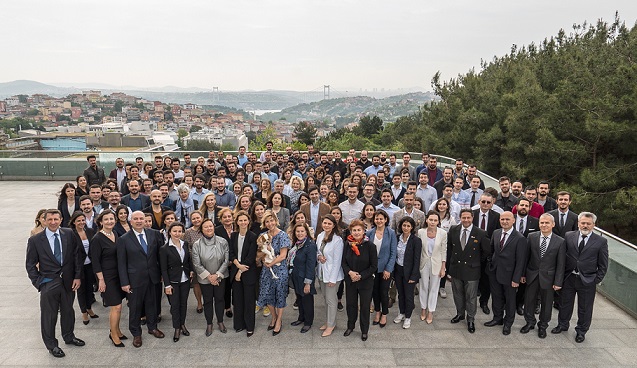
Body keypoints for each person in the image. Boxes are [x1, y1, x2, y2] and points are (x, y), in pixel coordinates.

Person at [26, 209, 85, 358]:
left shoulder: (69, 234)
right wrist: (38, 282)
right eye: (50, 219)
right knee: (49, 315)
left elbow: (77, 256)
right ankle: (52, 345)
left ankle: (69, 336)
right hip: (48, 282)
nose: (53, 222)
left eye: (56, 219)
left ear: (61, 219)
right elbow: (30, 264)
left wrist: (77, 277)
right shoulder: (35, 240)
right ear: (44, 221)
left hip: (68, 282)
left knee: (68, 311)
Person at [552, 212, 608, 343]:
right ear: (578, 223)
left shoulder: (601, 241)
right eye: (583, 223)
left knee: (585, 307)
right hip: (569, 277)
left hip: (588, 280)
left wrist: (596, 280)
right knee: (565, 303)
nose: (585, 226)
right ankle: (562, 324)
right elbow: (563, 257)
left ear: (593, 225)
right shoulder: (569, 236)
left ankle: (581, 331)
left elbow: (603, 264)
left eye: (588, 224)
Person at [117, 211, 165, 348]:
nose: (139, 221)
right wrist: (124, 282)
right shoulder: (124, 239)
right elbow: (121, 263)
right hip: (134, 280)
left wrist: (161, 273)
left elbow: (159, 256)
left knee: (152, 304)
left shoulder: (154, 234)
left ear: (145, 220)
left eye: (141, 219)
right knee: (135, 308)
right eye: (135, 219)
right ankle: (136, 333)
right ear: (130, 221)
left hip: (153, 277)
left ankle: (152, 327)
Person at [519, 213, 566, 338]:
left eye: (547, 223)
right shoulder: (531, 236)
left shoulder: (560, 241)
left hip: (549, 278)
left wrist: (558, 281)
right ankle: (530, 322)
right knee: (529, 301)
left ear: (553, 224)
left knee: (546, 303)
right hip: (532, 274)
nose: (544, 225)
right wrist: (523, 274)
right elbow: (526, 257)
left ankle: (543, 325)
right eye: (542, 223)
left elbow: (561, 264)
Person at [484, 211, 528, 335]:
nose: (504, 221)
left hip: (510, 276)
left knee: (510, 300)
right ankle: (497, 318)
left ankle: (508, 323)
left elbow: (521, 261)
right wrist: (490, 265)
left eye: (507, 219)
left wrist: (516, 278)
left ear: (513, 220)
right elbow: (492, 251)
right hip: (494, 272)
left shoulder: (520, 238)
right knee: (496, 297)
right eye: (502, 219)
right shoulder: (496, 233)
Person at [447, 209, 490, 333]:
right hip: (456, 268)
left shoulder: (481, 233)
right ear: (460, 218)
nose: (466, 220)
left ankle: (470, 319)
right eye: (463, 218)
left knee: (471, 296)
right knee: (457, 294)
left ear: (472, 218)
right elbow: (450, 248)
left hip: (472, 269)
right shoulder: (454, 230)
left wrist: (476, 262)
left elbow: (486, 251)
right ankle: (460, 314)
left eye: (468, 218)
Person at [91, 210, 127, 347]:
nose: (109, 221)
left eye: (112, 219)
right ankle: (113, 334)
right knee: (116, 306)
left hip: (118, 275)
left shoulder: (115, 233)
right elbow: (95, 261)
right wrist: (101, 280)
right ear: (101, 222)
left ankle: (117, 330)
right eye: (106, 219)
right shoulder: (97, 239)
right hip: (106, 277)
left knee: (119, 306)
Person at [192, 218, 230, 336]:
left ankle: (220, 321)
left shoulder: (223, 241)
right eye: (206, 227)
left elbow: (226, 260)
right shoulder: (197, 244)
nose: (209, 229)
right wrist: (209, 277)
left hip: (220, 276)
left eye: (210, 226)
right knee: (207, 301)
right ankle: (209, 323)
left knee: (220, 299)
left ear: (214, 227)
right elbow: (196, 264)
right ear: (202, 230)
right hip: (205, 278)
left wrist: (217, 275)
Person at [342, 219, 378, 341]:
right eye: (354, 230)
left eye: (359, 230)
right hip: (351, 281)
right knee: (351, 305)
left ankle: (364, 330)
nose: (356, 233)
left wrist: (361, 276)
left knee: (364, 306)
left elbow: (373, 266)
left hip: (365, 282)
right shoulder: (347, 244)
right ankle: (350, 326)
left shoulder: (370, 246)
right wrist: (350, 273)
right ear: (350, 232)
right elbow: (344, 262)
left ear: (364, 231)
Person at [257, 210, 291, 336]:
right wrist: (262, 259)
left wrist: (270, 264)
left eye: (272, 220)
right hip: (266, 270)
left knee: (280, 295)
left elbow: (283, 256)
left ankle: (279, 320)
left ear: (276, 220)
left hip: (280, 270)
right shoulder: (263, 235)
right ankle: (274, 316)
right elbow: (260, 252)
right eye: (267, 221)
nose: (270, 223)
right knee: (268, 294)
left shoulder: (282, 235)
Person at [159, 222, 193, 342]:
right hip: (173, 281)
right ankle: (176, 328)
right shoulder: (164, 248)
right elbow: (163, 268)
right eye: (175, 231)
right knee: (175, 305)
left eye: (180, 231)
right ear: (169, 232)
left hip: (185, 280)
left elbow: (188, 260)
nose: (177, 234)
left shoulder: (185, 244)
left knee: (183, 304)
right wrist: (167, 285)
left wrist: (191, 271)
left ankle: (182, 324)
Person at [229, 211, 258, 337]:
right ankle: (239, 324)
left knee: (249, 301)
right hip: (236, 269)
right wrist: (237, 265)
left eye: (245, 220)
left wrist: (240, 271)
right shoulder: (234, 235)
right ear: (237, 222)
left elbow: (251, 257)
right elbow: (231, 253)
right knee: (238, 300)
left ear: (248, 221)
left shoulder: (252, 236)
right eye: (240, 220)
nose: (243, 222)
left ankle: (249, 326)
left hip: (248, 272)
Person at [367, 210, 396, 328]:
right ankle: (377, 312)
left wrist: (388, 269)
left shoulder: (391, 233)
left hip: (385, 269)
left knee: (384, 292)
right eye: (377, 218)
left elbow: (393, 252)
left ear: (385, 220)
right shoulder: (369, 233)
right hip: (373, 269)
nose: (379, 221)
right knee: (375, 292)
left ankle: (384, 313)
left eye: (381, 218)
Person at [316, 214, 344, 337]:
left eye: (329, 223)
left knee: (331, 301)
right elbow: (318, 251)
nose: (326, 225)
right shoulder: (320, 236)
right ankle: (328, 322)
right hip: (322, 273)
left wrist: (332, 279)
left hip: (333, 276)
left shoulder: (338, 240)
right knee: (326, 299)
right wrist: (319, 257)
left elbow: (337, 261)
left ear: (333, 225)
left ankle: (331, 325)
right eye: (325, 223)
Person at [392, 216, 422, 329]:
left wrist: (414, 276)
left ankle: (408, 317)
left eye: (408, 226)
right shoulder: (397, 238)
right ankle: (401, 312)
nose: (406, 228)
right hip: (398, 270)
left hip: (409, 272)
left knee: (409, 295)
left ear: (412, 227)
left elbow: (416, 259)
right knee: (400, 294)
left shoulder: (416, 241)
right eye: (404, 225)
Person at [417, 211, 447, 323]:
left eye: (435, 220)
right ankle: (423, 309)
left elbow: (444, 251)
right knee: (423, 286)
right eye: (431, 220)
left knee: (434, 288)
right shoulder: (421, 232)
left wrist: (443, 267)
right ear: (426, 220)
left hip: (437, 263)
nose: (433, 222)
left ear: (438, 221)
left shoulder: (443, 233)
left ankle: (431, 311)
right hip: (423, 262)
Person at [69, 211, 98, 325]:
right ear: (74, 222)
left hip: (90, 264)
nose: (81, 222)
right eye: (78, 221)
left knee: (89, 288)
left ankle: (89, 308)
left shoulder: (90, 231)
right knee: (81, 290)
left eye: (83, 220)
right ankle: (84, 312)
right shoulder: (71, 234)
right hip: (78, 266)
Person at [288, 223, 318, 333]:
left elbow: (311, 265)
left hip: (305, 278)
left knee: (307, 300)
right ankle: (301, 318)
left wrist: (308, 283)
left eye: (302, 231)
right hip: (296, 276)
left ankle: (308, 322)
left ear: (306, 232)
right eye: (298, 231)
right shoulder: (296, 244)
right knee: (299, 299)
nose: (300, 233)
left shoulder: (310, 245)